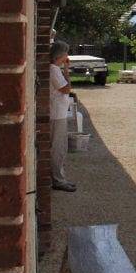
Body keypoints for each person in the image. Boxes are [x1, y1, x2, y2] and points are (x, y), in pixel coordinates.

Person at [50, 40, 77, 192]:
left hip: (58, 113)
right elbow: (66, 89)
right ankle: (58, 179)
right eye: (66, 53)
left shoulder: (55, 69)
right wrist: (66, 70)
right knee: (57, 147)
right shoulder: (53, 69)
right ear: (60, 55)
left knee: (60, 146)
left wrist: (65, 69)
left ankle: (60, 177)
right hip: (56, 114)